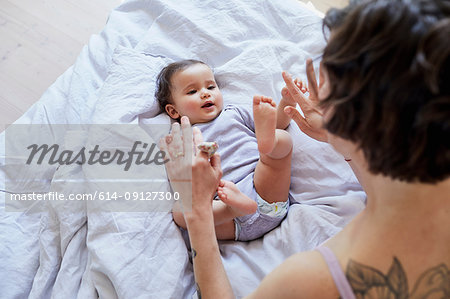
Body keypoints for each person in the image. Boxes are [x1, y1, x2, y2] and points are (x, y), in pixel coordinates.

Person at [160, 0, 450, 297]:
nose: (315, 89)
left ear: (357, 113)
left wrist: (197, 217)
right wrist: (344, 142)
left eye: (323, 78)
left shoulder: (307, 282)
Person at [156, 60, 303, 240]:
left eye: (211, 87)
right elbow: (181, 177)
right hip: (227, 216)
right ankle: (233, 208)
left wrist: (287, 102)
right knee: (180, 212)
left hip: (262, 188)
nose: (205, 94)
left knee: (282, 141)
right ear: (173, 111)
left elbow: (279, 124)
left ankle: (268, 146)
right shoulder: (181, 139)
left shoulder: (234, 113)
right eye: (192, 91)